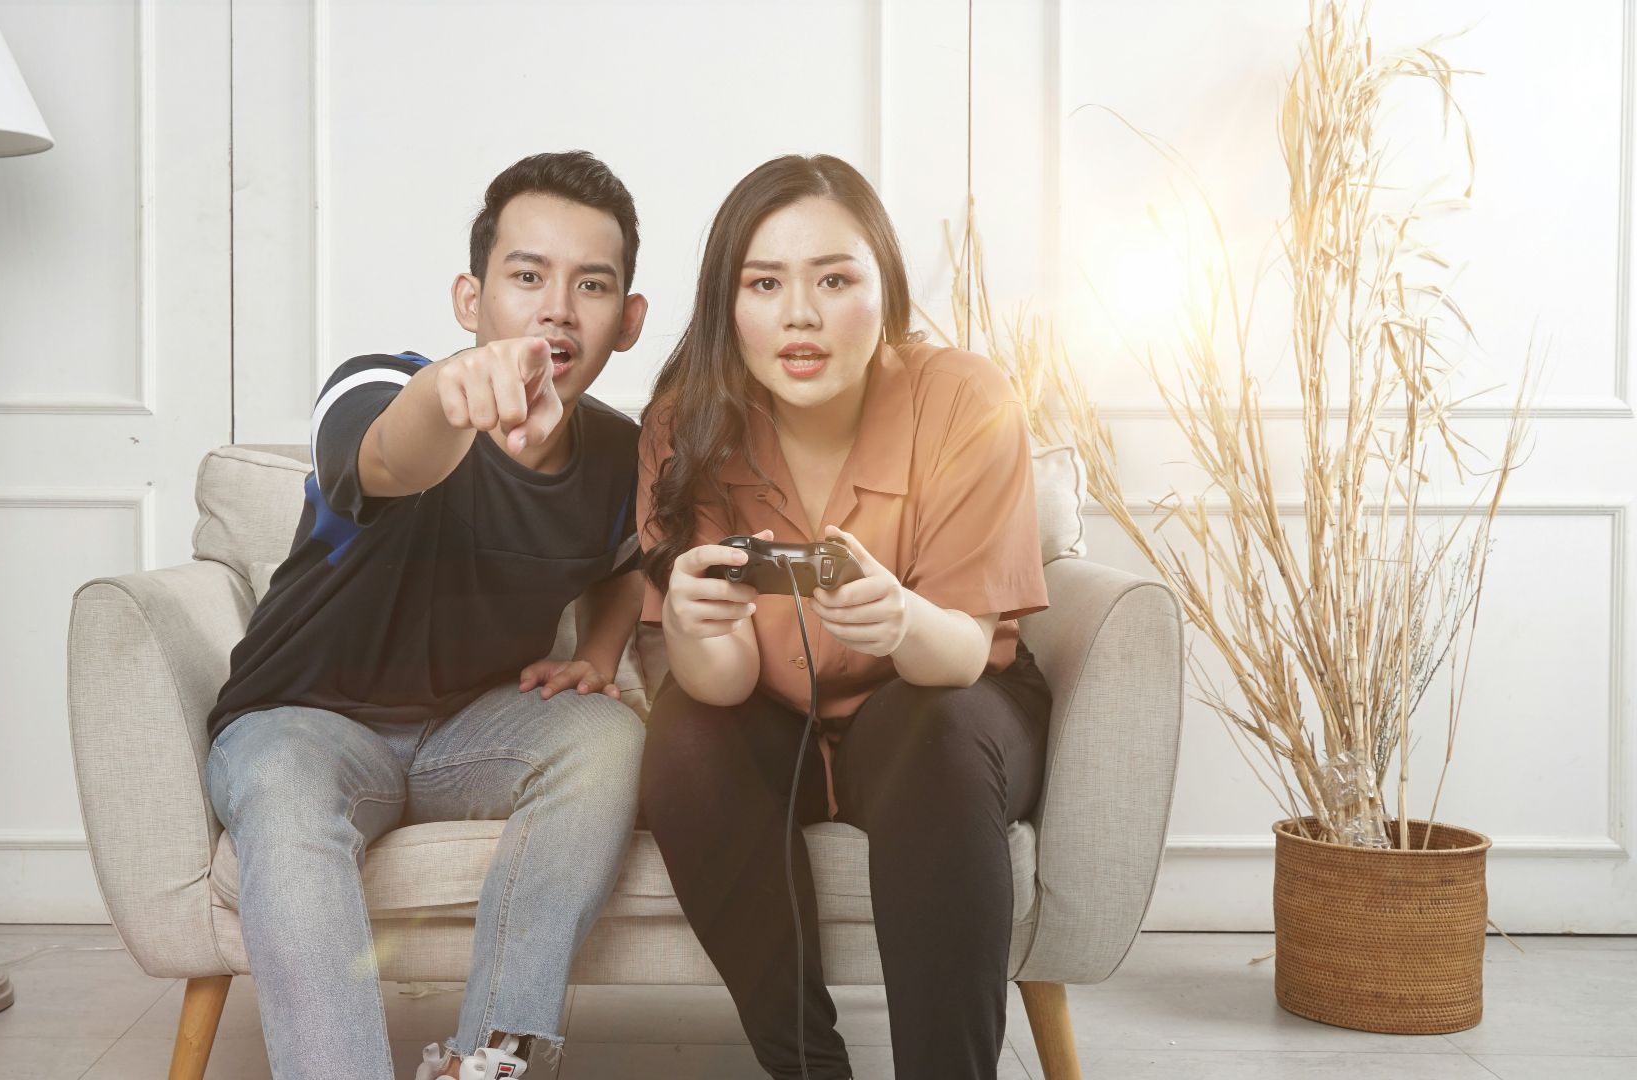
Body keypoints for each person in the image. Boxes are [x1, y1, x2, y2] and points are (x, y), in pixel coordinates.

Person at [204, 150, 650, 1080]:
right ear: (469, 297)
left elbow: (626, 565)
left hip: (467, 736)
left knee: (607, 735)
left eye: (591, 285)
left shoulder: (622, 456)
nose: (556, 307)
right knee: (281, 778)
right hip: (303, 721)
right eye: (526, 276)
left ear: (628, 321)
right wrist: (449, 398)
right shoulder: (377, 383)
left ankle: (493, 1063)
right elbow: (387, 458)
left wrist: (601, 652)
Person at [635, 153, 1054, 1080]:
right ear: (725, 302)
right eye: (765, 283)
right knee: (683, 727)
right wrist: (700, 630)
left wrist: (902, 618)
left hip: (947, 699)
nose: (800, 315)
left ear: (886, 288)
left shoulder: (964, 398)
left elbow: (961, 655)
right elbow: (724, 683)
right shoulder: (684, 424)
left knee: (927, 721)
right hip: (773, 713)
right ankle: (806, 1068)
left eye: (835, 279)